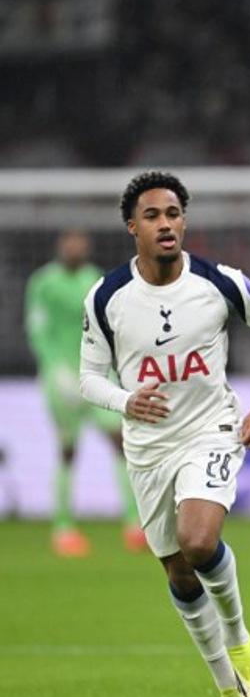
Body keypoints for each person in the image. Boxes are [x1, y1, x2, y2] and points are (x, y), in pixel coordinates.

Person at [79, 171, 250, 697]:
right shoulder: (107, 298)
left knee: (199, 541)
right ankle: (227, 688)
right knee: (177, 568)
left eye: (174, 213)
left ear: (184, 221)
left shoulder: (216, 282)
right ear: (133, 228)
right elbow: (87, 379)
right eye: (153, 216)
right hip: (149, 449)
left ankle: (240, 637)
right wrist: (126, 400)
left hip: (211, 430)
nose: (166, 223)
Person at [25, 230, 146, 556]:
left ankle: (135, 524)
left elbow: (107, 330)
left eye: (81, 245)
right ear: (60, 247)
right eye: (70, 244)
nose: (76, 249)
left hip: (97, 376)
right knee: (68, 450)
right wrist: (55, 368)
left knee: (122, 444)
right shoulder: (43, 283)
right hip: (61, 380)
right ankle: (63, 527)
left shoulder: (94, 279)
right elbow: (38, 330)